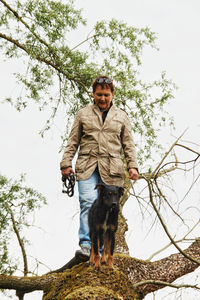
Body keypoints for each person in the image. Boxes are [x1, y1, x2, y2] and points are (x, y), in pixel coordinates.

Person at [60, 75, 139, 260]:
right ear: (93, 94)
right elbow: (73, 141)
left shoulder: (121, 116)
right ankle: (86, 245)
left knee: (109, 208)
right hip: (87, 166)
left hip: (112, 169)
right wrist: (65, 163)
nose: (102, 98)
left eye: (106, 94)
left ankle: (103, 250)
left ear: (112, 94)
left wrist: (133, 166)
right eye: (98, 94)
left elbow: (128, 144)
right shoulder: (83, 114)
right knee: (88, 202)